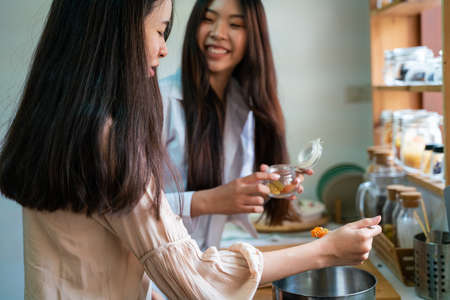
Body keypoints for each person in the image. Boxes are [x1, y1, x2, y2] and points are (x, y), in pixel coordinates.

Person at [0, 0, 382, 299]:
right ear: (117, 33)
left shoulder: (66, 118)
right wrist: (326, 251)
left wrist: (257, 192)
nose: (164, 47)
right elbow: (192, 275)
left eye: (236, 24)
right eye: (159, 29)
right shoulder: (122, 127)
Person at [161, 0, 312, 250]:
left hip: (206, 263)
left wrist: (269, 185)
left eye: (235, 24)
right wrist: (207, 201)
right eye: (208, 19)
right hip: (153, 277)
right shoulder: (161, 100)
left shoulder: (241, 107)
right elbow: (127, 208)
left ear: (253, 37)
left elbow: (229, 201)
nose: (218, 33)